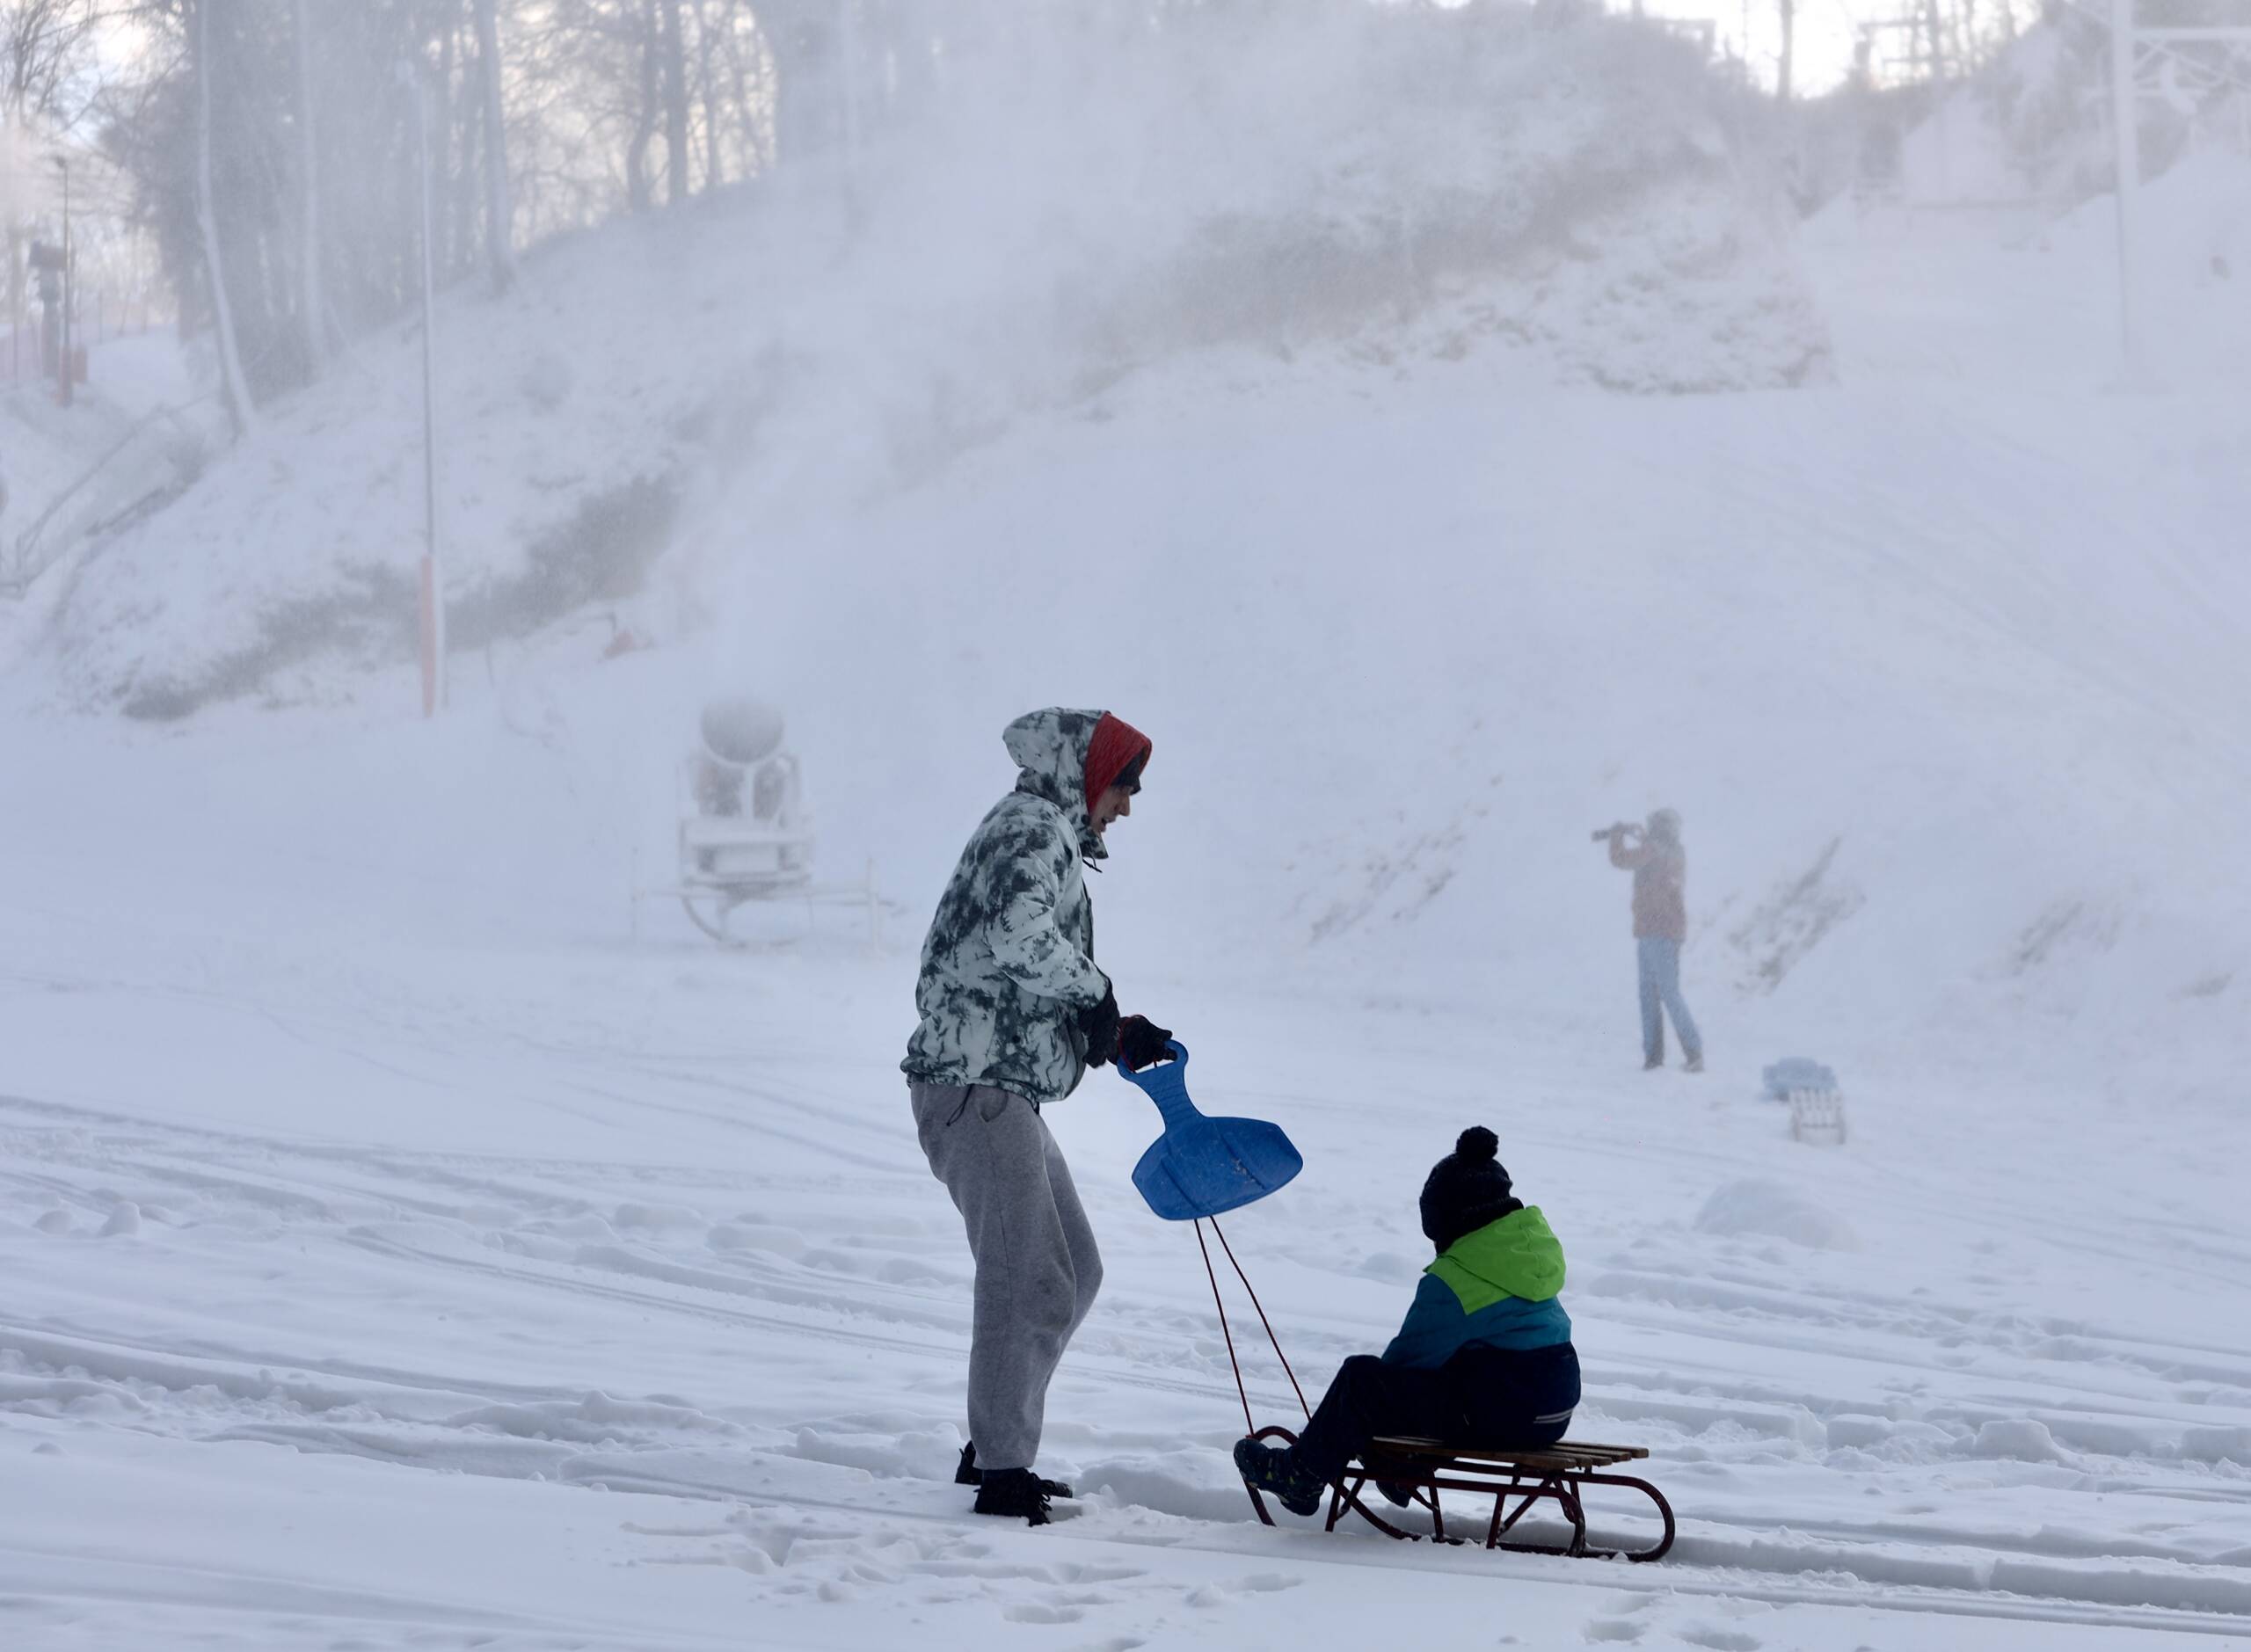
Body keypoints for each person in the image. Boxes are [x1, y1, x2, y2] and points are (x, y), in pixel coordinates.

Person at [903, 707, 1176, 1525]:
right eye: (1124, 787)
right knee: (1031, 1277)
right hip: (973, 1084)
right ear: (1089, 775)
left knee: (1074, 1269)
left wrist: (1111, 1029)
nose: (1125, 807)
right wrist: (1095, 993)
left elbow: (1011, 968)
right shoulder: (1033, 826)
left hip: (998, 1083)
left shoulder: (1042, 829)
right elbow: (1018, 935)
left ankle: (995, 1443)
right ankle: (1001, 1467)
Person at [1234, 1127, 1579, 1516]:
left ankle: (1301, 1476)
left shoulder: (1458, 1277)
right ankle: (1404, 1468)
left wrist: (1363, 1419)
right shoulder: (1524, 1255)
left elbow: (1407, 1362)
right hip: (1555, 1408)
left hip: (1507, 1417)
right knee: (1465, 1367)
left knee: (1361, 1382)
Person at [1603, 808, 1703, 1073]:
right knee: (1654, 994)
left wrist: (1617, 836)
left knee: (1663, 994)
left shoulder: (1655, 850)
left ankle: (1686, 1053)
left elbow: (1621, 859)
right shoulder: (1672, 851)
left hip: (1658, 932)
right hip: (1655, 932)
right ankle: (1658, 1056)